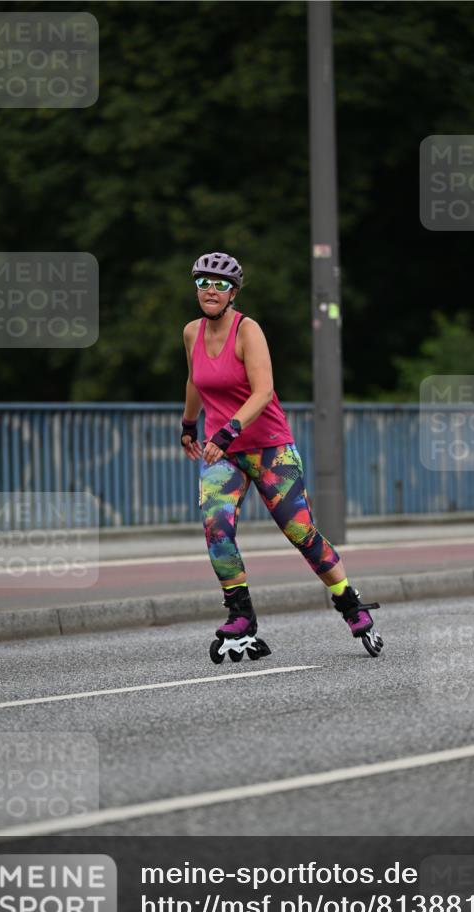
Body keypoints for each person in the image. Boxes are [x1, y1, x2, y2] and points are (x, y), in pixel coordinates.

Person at [181, 251, 383, 659]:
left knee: (300, 532)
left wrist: (228, 429)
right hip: (224, 452)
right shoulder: (191, 333)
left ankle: (348, 600)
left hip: (270, 448)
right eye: (203, 282)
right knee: (215, 525)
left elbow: (263, 392)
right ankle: (241, 614)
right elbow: (195, 379)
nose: (210, 290)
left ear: (233, 292)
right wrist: (188, 425)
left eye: (219, 285)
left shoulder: (247, 330)